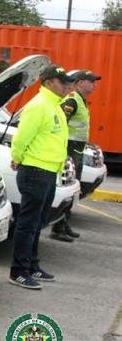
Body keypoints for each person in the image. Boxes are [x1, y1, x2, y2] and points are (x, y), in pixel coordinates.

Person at [9, 64, 74, 290]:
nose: (66, 86)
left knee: (38, 222)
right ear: (48, 83)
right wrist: (17, 157)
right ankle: (18, 271)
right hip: (35, 171)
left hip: (48, 171)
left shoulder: (54, 105)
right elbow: (21, 138)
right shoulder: (39, 106)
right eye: (61, 82)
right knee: (28, 224)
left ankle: (32, 265)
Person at [50, 69, 101, 242]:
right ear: (80, 83)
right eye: (91, 81)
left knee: (73, 189)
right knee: (69, 188)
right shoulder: (72, 100)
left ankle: (64, 224)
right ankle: (58, 228)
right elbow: (60, 123)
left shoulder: (81, 100)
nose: (94, 85)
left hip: (77, 149)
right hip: (69, 149)